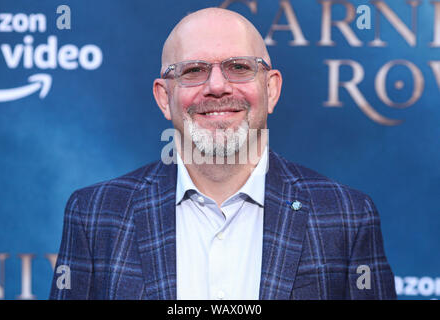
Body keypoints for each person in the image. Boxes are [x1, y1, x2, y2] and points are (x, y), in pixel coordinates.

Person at [50, 7, 396, 300]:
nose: (216, 86)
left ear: (271, 89)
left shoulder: (346, 216)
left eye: (239, 67)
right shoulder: (95, 215)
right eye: (194, 71)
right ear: (163, 97)